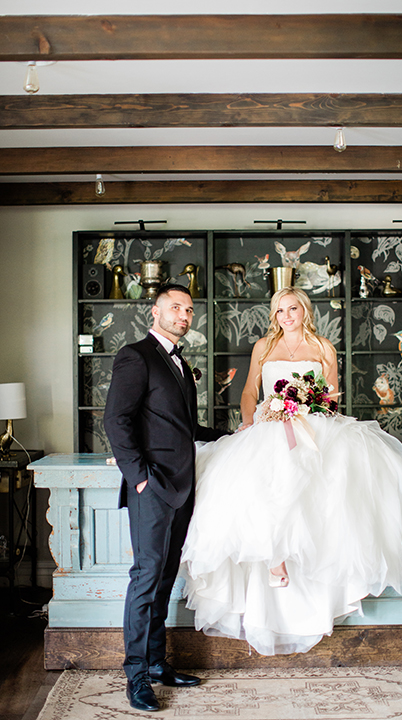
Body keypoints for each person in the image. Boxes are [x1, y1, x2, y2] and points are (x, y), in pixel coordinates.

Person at [180, 287, 402, 656]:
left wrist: (308, 402)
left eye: (292, 309)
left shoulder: (323, 347)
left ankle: (311, 572)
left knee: (329, 488)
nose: (285, 316)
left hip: (313, 423)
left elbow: (333, 394)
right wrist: (249, 421)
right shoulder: (262, 347)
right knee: (261, 481)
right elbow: (248, 391)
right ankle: (275, 556)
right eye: (278, 311)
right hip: (269, 423)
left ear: (305, 311)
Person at [104, 284, 226, 712]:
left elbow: (186, 429)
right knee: (145, 579)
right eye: (175, 307)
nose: (184, 315)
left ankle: (157, 663)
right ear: (155, 311)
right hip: (152, 488)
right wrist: (139, 478)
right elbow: (116, 421)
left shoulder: (179, 363)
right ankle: (135, 676)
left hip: (182, 489)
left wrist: (233, 436)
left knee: (165, 578)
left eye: (190, 310)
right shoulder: (136, 356)